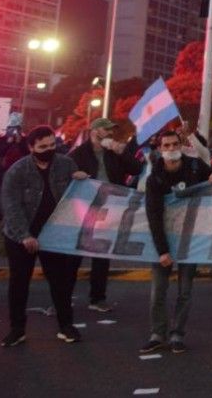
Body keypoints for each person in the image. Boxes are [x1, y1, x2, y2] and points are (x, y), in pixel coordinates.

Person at [0, 125, 86, 347]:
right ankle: (17, 329)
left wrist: (79, 179)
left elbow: (75, 197)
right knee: (19, 282)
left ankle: (66, 325)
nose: (49, 149)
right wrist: (25, 236)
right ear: (31, 147)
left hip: (53, 235)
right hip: (21, 235)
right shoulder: (17, 171)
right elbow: (11, 207)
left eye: (52, 145)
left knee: (60, 282)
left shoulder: (65, 164)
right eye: (43, 146)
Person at [140, 129, 212, 354]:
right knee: (159, 290)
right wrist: (162, 250)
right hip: (164, 239)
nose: (171, 149)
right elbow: (153, 215)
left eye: (174, 144)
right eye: (166, 146)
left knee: (185, 291)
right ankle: (157, 333)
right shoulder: (154, 178)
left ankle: (177, 334)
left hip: (190, 238)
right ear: (159, 149)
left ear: (181, 145)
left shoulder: (195, 167)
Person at [66, 117, 143, 312]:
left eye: (111, 130)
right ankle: (63, 298)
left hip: (110, 208)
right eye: (107, 130)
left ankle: (97, 298)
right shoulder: (79, 153)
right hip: (84, 208)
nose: (110, 133)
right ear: (95, 131)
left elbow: (136, 169)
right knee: (74, 255)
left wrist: (122, 152)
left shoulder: (113, 153)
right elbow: (65, 174)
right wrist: (75, 175)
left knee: (102, 253)